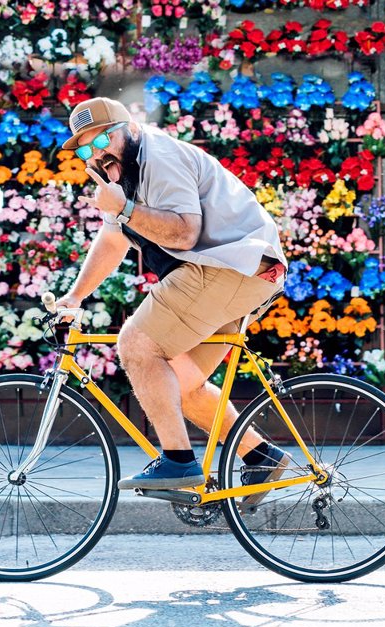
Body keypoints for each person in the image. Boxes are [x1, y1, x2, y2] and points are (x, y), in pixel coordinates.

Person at [54, 96, 290, 501]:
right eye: (85, 150)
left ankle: (179, 461)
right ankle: (261, 457)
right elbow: (113, 239)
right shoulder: (123, 173)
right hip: (237, 272)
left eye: (101, 142)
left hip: (229, 265)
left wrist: (125, 209)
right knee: (178, 386)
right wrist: (73, 298)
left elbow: (184, 234)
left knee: (136, 344)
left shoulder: (158, 157)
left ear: (128, 129)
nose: (96, 155)